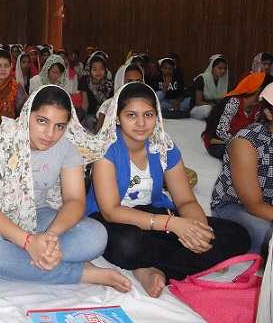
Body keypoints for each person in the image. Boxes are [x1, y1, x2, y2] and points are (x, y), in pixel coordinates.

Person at [0, 85, 131, 291]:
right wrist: (28, 242)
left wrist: (52, 235)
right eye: (42, 121)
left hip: (38, 215)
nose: (50, 134)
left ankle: (5, 261)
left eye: (59, 126)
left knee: (96, 236)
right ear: (27, 115)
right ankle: (83, 273)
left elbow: (75, 200)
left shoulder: (67, 148)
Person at [86, 82, 250, 297]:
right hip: (114, 220)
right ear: (117, 118)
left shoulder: (163, 146)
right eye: (131, 115)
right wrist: (173, 225)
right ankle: (182, 262)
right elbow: (111, 211)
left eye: (148, 114)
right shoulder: (106, 149)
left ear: (157, 115)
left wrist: (199, 233)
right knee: (127, 245)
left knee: (237, 235)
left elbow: (185, 201)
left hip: (153, 212)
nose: (141, 123)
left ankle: (156, 270)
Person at [211, 82, 273, 258]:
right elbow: (254, 206)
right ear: (268, 113)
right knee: (269, 237)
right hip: (236, 207)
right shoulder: (246, 143)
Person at [201, 72, 273, 160]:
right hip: (218, 144)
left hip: (241, 144)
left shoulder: (258, 108)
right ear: (260, 90)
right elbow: (221, 132)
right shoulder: (234, 102)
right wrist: (243, 142)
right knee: (246, 157)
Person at [78, 54, 114, 130]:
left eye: (101, 69)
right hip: (89, 115)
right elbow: (85, 103)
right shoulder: (84, 81)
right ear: (89, 69)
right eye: (94, 69)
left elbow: (108, 106)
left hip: (106, 116)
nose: (98, 72)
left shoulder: (109, 85)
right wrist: (81, 122)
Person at [190, 55, 229, 120]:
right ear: (212, 68)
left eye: (225, 68)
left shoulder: (224, 81)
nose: (223, 71)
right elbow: (198, 102)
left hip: (215, 107)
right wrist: (213, 105)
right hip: (198, 108)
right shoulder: (202, 79)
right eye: (220, 68)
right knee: (208, 109)